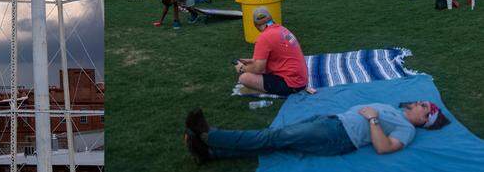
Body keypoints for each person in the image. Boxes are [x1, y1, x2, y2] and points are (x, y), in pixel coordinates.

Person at [183, 100, 450, 162]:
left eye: (424, 110)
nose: (419, 104)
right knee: (276, 142)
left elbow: (384, 148)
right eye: (423, 102)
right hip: (332, 122)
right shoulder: (398, 110)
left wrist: (372, 120)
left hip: (338, 134)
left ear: (423, 121)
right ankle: (209, 153)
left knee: (272, 137)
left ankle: (209, 134)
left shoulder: (407, 130)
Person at [233, 8, 309, 97]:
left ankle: (264, 90)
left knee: (244, 78)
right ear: (272, 19)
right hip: (301, 79)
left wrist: (242, 68)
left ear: (255, 25)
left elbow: (258, 69)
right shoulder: (282, 29)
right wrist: (253, 61)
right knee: (254, 68)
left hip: (292, 84)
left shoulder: (264, 37)